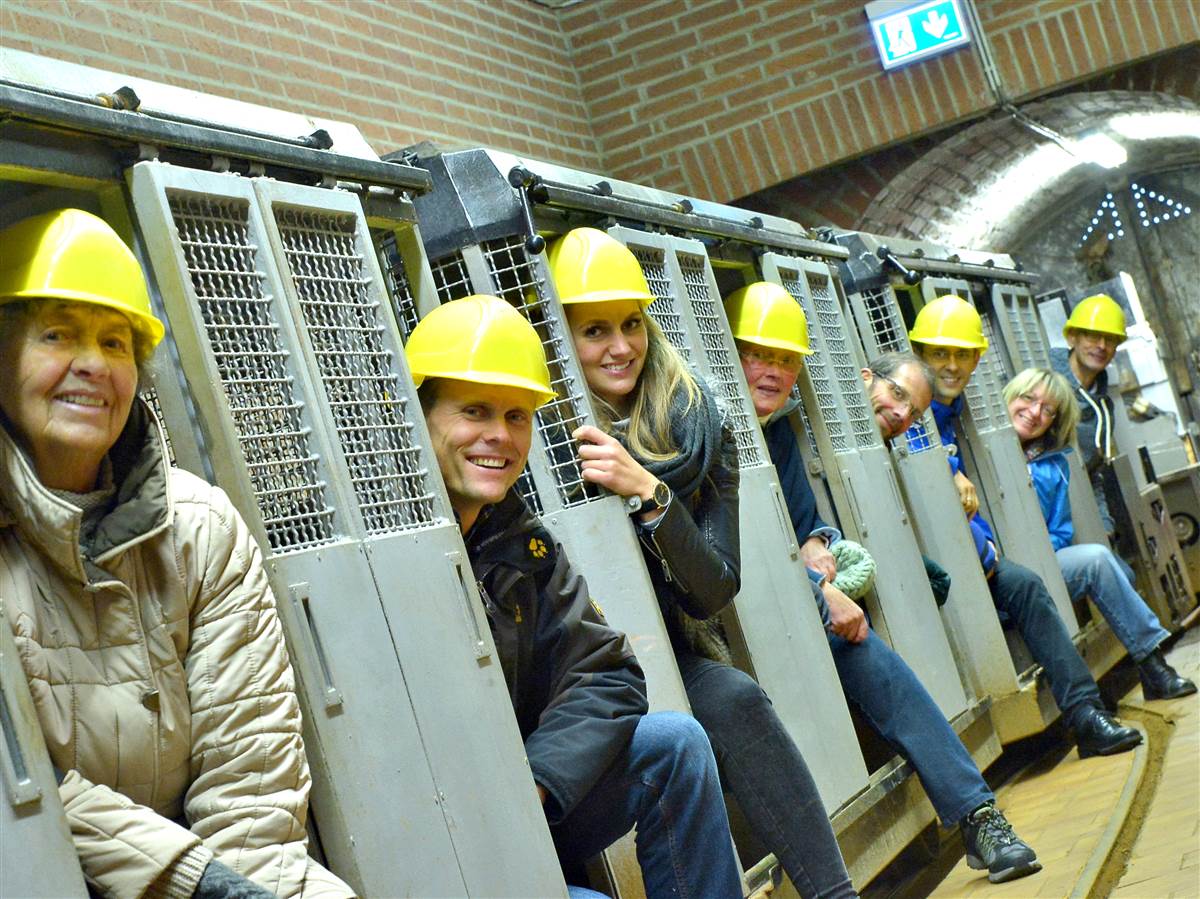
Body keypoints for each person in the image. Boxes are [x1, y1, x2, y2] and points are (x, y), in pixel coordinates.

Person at [0, 209, 352, 898]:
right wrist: (194, 882)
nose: (94, 364)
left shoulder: (200, 528)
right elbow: (27, 789)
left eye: (115, 341)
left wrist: (238, 888)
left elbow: (249, 781)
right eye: (57, 334)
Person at [547, 228, 857, 899]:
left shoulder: (699, 418)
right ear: (560, 336)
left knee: (737, 698)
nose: (621, 346)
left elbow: (716, 586)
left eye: (631, 323)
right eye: (594, 330)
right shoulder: (538, 434)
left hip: (665, 647)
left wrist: (651, 493)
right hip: (568, 674)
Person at [405, 292, 743, 899]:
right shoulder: (384, 555)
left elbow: (607, 673)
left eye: (516, 416)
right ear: (416, 414)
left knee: (677, 742)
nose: (499, 436)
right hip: (433, 841)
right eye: (475, 411)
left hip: (531, 810)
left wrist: (538, 780)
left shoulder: (518, 541)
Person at [729, 283, 1040, 885]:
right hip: (724, 618)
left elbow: (801, 528)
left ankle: (978, 816)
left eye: (787, 360)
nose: (773, 371)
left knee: (863, 646)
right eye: (758, 355)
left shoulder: (779, 433)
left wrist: (818, 548)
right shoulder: (695, 427)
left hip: (795, 604)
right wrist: (819, 588)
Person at [909, 295, 1142, 758]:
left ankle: (1086, 715)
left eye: (962, 355)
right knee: (1027, 583)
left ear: (977, 359)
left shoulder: (955, 411)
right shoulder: (915, 406)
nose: (951, 366)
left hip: (977, 555)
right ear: (920, 356)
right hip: (930, 560)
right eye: (940, 354)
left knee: (1028, 585)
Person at [1002, 367, 1195, 700]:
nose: (1035, 413)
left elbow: (1060, 530)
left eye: (1048, 410)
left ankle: (1153, 665)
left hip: (1042, 564)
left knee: (1099, 560)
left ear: (1054, 422)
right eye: (1028, 399)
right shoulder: (975, 451)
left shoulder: (1053, 462)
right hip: (994, 571)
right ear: (1010, 397)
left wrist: (1040, 557)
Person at [1048, 294, 1126, 535]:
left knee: (1123, 573)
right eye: (1092, 335)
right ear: (1072, 337)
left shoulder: (1103, 411)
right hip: (1031, 505)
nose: (1101, 346)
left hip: (1075, 519)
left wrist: (1105, 525)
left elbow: (1093, 476)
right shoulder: (1043, 377)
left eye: (1110, 339)